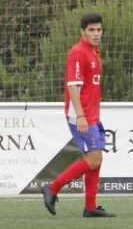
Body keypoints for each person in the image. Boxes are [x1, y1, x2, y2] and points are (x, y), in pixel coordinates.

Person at [42, 13, 115, 218]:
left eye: (99, 29)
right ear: (82, 32)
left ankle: (90, 207)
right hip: (80, 116)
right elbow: (73, 87)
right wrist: (81, 116)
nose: (96, 33)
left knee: (97, 159)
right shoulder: (78, 52)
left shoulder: (94, 52)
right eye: (91, 30)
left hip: (92, 115)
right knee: (92, 159)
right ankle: (52, 188)